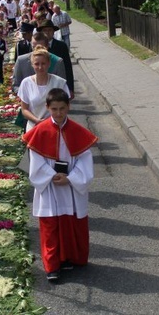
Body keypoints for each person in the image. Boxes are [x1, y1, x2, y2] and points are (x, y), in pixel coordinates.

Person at [23, 88, 97, 282]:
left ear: (68, 107)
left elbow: (84, 159)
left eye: (62, 108)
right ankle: (52, 266)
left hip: (71, 184)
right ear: (47, 108)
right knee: (50, 226)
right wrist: (53, 176)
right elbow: (35, 160)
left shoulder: (78, 131)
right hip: (50, 186)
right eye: (54, 109)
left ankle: (72, 257)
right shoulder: (39, 131)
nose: (58, 113)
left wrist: (71, 178)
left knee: (71, 222)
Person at [17, 46, 70, 132]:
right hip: (34, 127)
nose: (40, 67)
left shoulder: (59, 82)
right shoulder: (26, 83)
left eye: (43, 63)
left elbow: (66, 106)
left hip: (57, 127)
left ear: (49, 64)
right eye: (37, 64)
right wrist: (37, 121)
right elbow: (24, 109)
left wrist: (51, 121)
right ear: (32, 65)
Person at [36, 19, 75, 99]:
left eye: (50, 30)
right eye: (45, 30)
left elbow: (68, 67)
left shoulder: (61, 46)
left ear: (54, 32)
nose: (47, 32)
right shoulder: (37, 46)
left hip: (57, 83)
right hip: (41, 84)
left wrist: (70, 88)